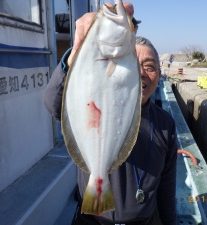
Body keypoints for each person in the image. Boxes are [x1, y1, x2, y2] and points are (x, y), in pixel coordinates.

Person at [44, 3, 177, 225]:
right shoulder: (95, 87)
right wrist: (76, 54)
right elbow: (53, 104)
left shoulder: (165, 124)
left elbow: (167, 187)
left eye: (151, 67)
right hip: (93, 220)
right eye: (136, 63)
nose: (142, 73)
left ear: (159, 75)